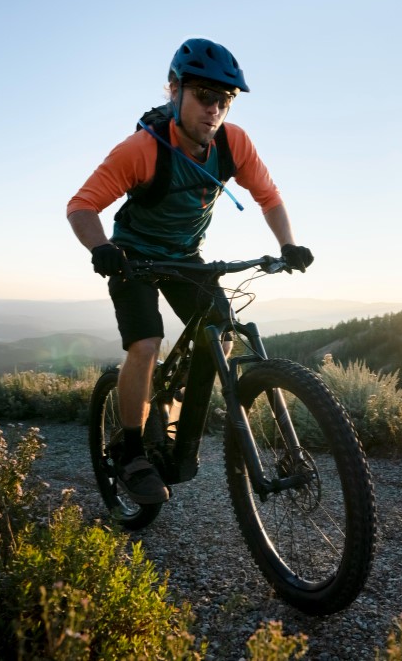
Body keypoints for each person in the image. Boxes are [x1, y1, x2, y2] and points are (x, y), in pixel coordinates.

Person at [67, 38, 313, 505]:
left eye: (224, 100)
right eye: (204, 96)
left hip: (184, 258)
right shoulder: (141, 150)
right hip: (132, 257)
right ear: (174, 89)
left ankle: (177, 427)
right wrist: (100, 248)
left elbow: (270, 197)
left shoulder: (232, 143)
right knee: (145, 343)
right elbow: (82, 206)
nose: (215, 110)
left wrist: (288, 245)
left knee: (219, 331)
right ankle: (132, 451)